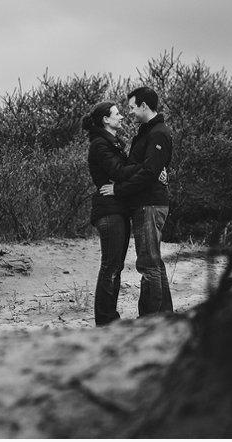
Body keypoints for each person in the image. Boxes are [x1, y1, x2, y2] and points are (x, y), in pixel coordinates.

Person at [100, 86, 174, 317]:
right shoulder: (147, 132)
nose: (129, 112)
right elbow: (146, 168)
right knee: (154, 263)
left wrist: (118, 190)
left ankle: (149, 320)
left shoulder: (158, 133)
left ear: (144, 105)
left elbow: (149, 172)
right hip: (146, 203)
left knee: (148, 265)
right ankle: (165, 316)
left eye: (132, 107)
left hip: (149, 204)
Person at [82, 101, 138, 326]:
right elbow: (118, 171)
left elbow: (120, 172)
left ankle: (108, 318)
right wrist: (147, 166)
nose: (122, 116)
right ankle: (105, 320)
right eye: (117, 113)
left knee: (115, 267)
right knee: (110, 267)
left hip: (116, 209)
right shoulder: (100, 144)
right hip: (109, 210)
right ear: (106, 119)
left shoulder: (110, 143)